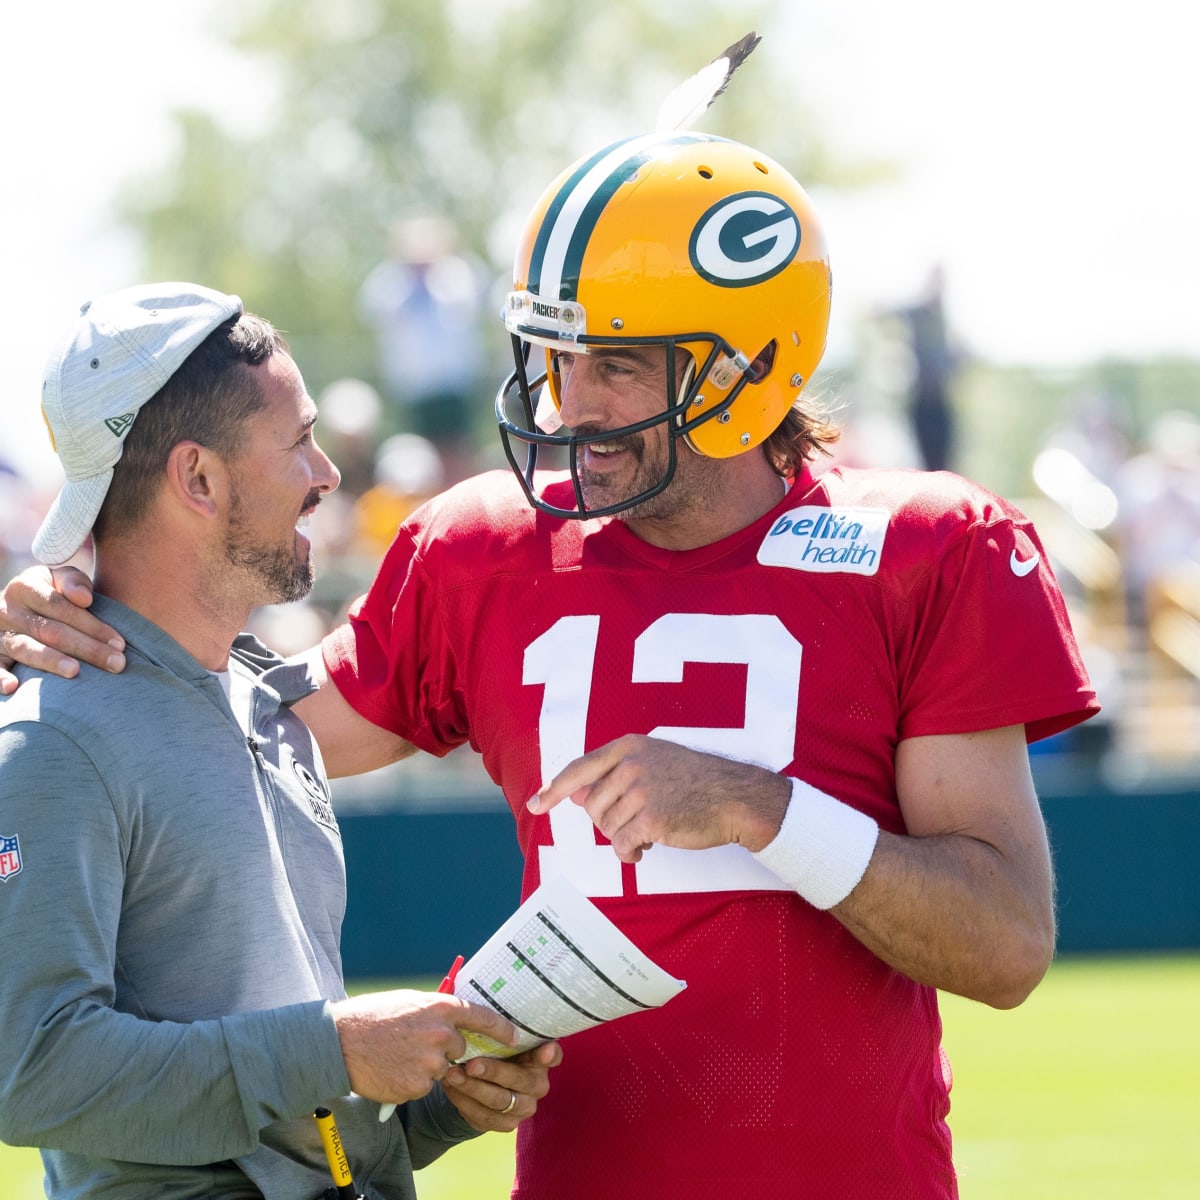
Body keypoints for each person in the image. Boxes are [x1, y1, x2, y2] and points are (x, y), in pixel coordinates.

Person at [1, 135, 1099, 1199]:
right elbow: (222, 720)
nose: (572, 406)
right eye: (558, 358)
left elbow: (1004, 946)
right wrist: (66, 622)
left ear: (749, 361)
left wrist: (762, 809)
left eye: (616, 364)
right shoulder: (483, 550)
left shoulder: (928, 547)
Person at [0, 282, 559, 1200]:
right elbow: (33, 1075)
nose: (329, 475)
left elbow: (294, 1122)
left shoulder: (266, 707)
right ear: (199, 479)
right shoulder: (55, 739)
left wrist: (438, 1100)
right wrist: (335, 1045)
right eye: (298, 442)